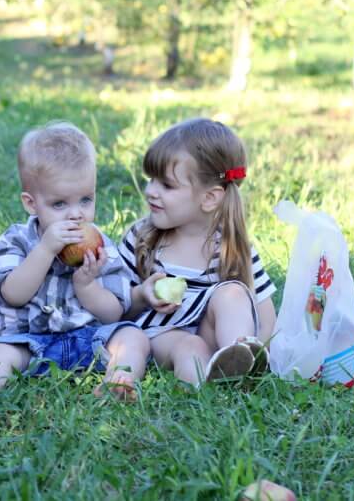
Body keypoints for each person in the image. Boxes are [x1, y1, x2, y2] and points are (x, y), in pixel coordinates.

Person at [0, 122, 149, 399]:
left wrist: (87, 285)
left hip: (88, 339)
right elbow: (13, 294)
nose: (76, 214)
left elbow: (113, 313)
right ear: (31, 203)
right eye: (59, 204)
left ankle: (119, 379)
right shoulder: (15, 240)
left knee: (132, 336)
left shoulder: (100, 244)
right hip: (27, 343)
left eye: (85, 200)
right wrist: (45, 250)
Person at [118, 118, 276, 386]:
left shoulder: (232, 247)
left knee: (233, 293)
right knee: (191, 346)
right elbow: (115, 306)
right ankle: (211, 392)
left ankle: (242, 358)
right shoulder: (143, 239)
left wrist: (263, 344)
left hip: (213, 335)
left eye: (166, 185)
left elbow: (265, 314)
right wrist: (142, 295)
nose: (150, 192)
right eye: (151, 180)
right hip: (163, 335)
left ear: (209, 198)